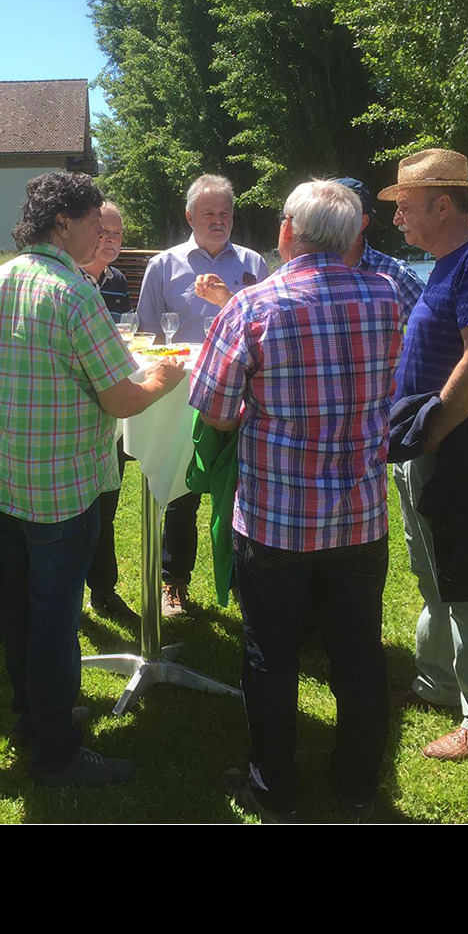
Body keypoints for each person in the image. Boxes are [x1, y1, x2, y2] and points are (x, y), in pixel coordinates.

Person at [190, 180, 402, 822]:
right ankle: (357, 787)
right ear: (352, 234)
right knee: (359, 653)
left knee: (271, 654)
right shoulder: (385, 296)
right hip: (360, 513)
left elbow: (215, 411)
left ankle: (274, 789)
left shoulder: (253, 306)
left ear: (286, 230)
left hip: (277, 518)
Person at [0, 172, 185, 785]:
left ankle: (34, 716)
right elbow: (120, 397)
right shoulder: (74, 293)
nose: (103, 234)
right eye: (95, 222)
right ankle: (57, 751)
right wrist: (163, 379)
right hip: (62, 491)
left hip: (4, 477)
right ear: (63, 223)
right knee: (55, 621)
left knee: (22, 610)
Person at [382, 148, 468, 762]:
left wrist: (432, 434)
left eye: (404, 206)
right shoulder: (445, 264)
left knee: (465, 582)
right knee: (433, 576)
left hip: (453, 448)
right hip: (425, 446)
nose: (396, 218)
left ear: (442, 205)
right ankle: (436, 684)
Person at [136, 174, 268, 617]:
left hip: (244, 396)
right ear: (189, 216)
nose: (218, 220)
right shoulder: (163, 266)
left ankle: (248, 583)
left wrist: (226, 301)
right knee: (181, 490)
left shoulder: (253, 263)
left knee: (245, 491)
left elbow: (269, 327)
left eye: (225, 212)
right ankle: (174, 579)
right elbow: (148, 337)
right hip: (183, 396)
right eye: (208, 213)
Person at [79, 201, 134, 623]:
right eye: (104, 232)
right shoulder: (71, 278)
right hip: (74, 408)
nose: (111, 240)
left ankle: (103, 590)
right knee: (76, 511)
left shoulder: (117, 281)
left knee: (107, 505)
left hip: (112, 404)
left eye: (117, 234)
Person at [339, 176, 425, 322]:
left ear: (362, 222)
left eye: (336, 214)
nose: (325, 221)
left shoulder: (396, 274)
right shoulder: (309, 271)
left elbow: (436, 328)